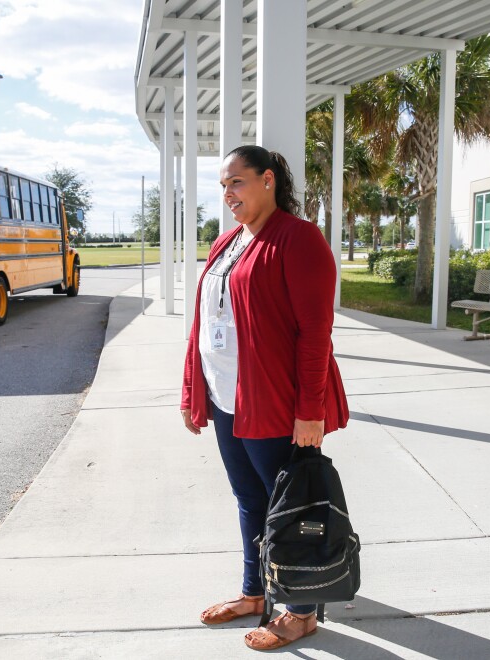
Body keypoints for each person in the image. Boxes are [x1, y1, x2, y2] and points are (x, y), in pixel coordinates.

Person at [180, 145, 349, 651]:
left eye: (236, 182)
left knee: (291, 508)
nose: (228, 193)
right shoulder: (227, 242)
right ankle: (255, 593)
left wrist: (310, 411)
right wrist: (195, 390)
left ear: (268, 180)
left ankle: (300, 611)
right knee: (250, 499)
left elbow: (316, 332)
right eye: (222, 186)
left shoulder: (299, 239)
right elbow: (205, 323)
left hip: (275, 401)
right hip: (228, 397)